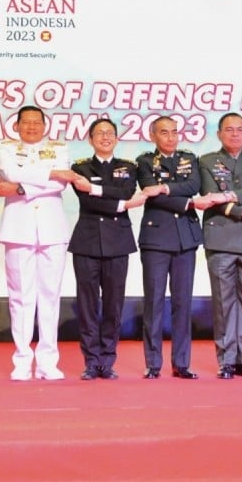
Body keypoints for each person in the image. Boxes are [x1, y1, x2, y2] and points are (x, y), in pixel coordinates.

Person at [0, 105, 76, 381]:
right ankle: (21, 361)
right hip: (18, 229)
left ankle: (48, 361)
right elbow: (9, 172)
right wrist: (49, 173)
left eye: (36, 123)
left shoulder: (59, 148)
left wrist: (22, 186)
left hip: (52, 230)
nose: (31, 127)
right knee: (20, 297)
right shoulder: (5, 149)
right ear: (15, 126)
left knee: (50, 297)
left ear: (45, 126)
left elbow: (61, 183)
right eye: (25, 123)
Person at [195, 113, 242, 380]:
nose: (235, 134)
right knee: (224, 303)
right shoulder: (206, 161)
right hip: (221, 239)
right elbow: (208, 195)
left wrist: (228, 196)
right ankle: (226, 360)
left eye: (240, 129)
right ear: (219, 134)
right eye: (229, 130)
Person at [69, 118, 146, 380]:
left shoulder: (128, 167)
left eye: (110, 133)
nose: (105, 137)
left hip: (117, 242)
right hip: (87, 241)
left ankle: (107, 360)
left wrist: (95, 189)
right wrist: (121, 205)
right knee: (87, 305)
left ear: (116, 138)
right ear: (90, 139)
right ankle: (91, 361)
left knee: (114, 305)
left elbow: (125, 191)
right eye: (99, 133)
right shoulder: (78, 167)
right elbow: (88, 201)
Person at [136, 116, 202, 380]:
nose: (171, 137)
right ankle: (153, 363)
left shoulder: (190, 158)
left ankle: (182, 362)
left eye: (175, 132)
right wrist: (184, 201)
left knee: (182, 302)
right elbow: (147, 190)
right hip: (156, 238)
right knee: (153, 302)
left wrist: (164, 188)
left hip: (185, 237)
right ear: (153, 136)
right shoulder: (143, 161)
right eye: (164, 133)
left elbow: (194, 186)